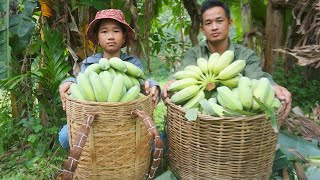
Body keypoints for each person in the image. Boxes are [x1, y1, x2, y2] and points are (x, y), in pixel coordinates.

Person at [162, 0, 291, 119]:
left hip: (238, 125)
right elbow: (184, 74)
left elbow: (256, 76)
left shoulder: (245, 55)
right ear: (202, 29)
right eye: (208, 23)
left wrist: (274, 86)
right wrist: (172, 84)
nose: (214, 27)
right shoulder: (195, 54)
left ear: (229, 23)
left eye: (219, 21)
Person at [58, 9, 160, 149]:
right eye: (104, 31)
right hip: (95, 120)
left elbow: (142, 84)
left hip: (125, 119)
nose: (110, 36)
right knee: (64, 137)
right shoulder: (90, 63)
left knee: (156, 141)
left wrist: (153, 85)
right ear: (98, 38)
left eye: (116, 31)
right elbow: (79, 81)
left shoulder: (132, 64)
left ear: (124, 37)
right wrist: (68, 81)